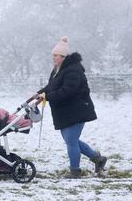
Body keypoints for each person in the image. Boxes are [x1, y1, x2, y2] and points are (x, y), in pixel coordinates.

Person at [37, 36, 107, 178]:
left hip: (78, 109)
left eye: (56, 55)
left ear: (63, 56)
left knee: (71, 141)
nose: (53, 58)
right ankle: (98, 159)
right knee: (71, 140)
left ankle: (75, 172)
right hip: (66, 111)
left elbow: (68, 90)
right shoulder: (58, 69)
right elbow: (52, 86)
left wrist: (48, 97)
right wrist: (39, 94)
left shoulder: (73, 70)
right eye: (53, 55)